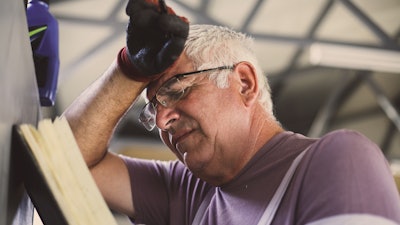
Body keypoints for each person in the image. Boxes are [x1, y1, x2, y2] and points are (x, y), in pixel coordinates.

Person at [63, 0, 400, 224]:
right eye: (154, 110)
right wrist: (129, 71)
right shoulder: (185, 190)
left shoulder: (337, 160)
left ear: (244, 83)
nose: (163, 120)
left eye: (178, 91)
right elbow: (63, 163)